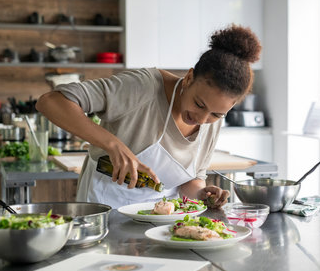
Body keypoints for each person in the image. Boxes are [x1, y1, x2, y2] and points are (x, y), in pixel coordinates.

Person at [36, 24, 261, 209]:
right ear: (189, 78)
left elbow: (189, 181)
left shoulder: (211, 122)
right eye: (199, 104)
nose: (202, 119)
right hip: (106, 211)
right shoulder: (143, 87)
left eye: (216, 114)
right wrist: (113, 145)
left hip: (163, 222)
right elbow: (51, 102)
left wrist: (202, 193)